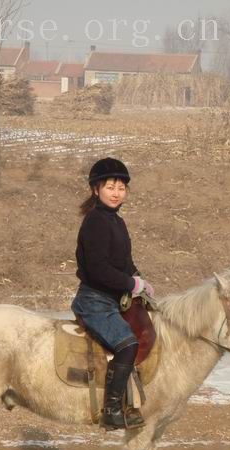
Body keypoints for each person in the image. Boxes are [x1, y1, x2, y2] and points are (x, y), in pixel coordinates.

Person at [71, 157, 153, 430]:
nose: (117, 193)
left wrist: (140, 280)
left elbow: (124, 262)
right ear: (96, 190)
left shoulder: (116, 221)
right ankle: (112, 408)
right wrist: (130, 285)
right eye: (110, 187)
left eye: (121, 187)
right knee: (127, 344)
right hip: (94, 300)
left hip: (112, 298)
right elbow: (98, 269)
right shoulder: (95, 221)